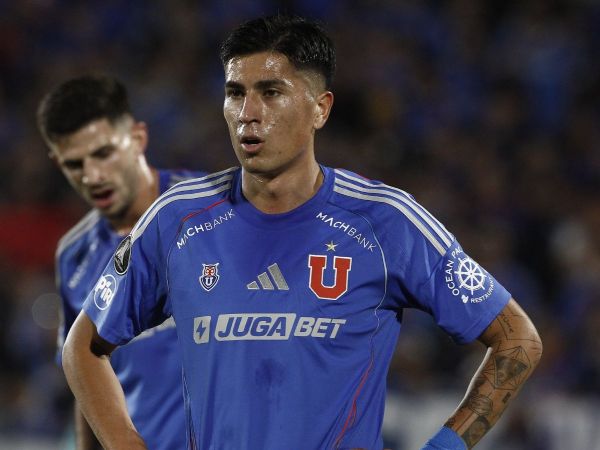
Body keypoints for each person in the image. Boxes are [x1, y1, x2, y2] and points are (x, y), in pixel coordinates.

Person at [62, 16, 543, 450]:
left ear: (320, 109)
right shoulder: (178, 221)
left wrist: (444, 448)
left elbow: (517, 338)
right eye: (235, 92)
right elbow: (82, 346)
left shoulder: (384, 222)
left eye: (271, 92)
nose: (248, 112)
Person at [37, 75, 206, 449]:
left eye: (103, 153)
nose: (92, 176)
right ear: (56, 162)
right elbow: (86, 383)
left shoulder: (212, 208)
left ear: (138, 137)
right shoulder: (73, 255)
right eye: (74, 164)